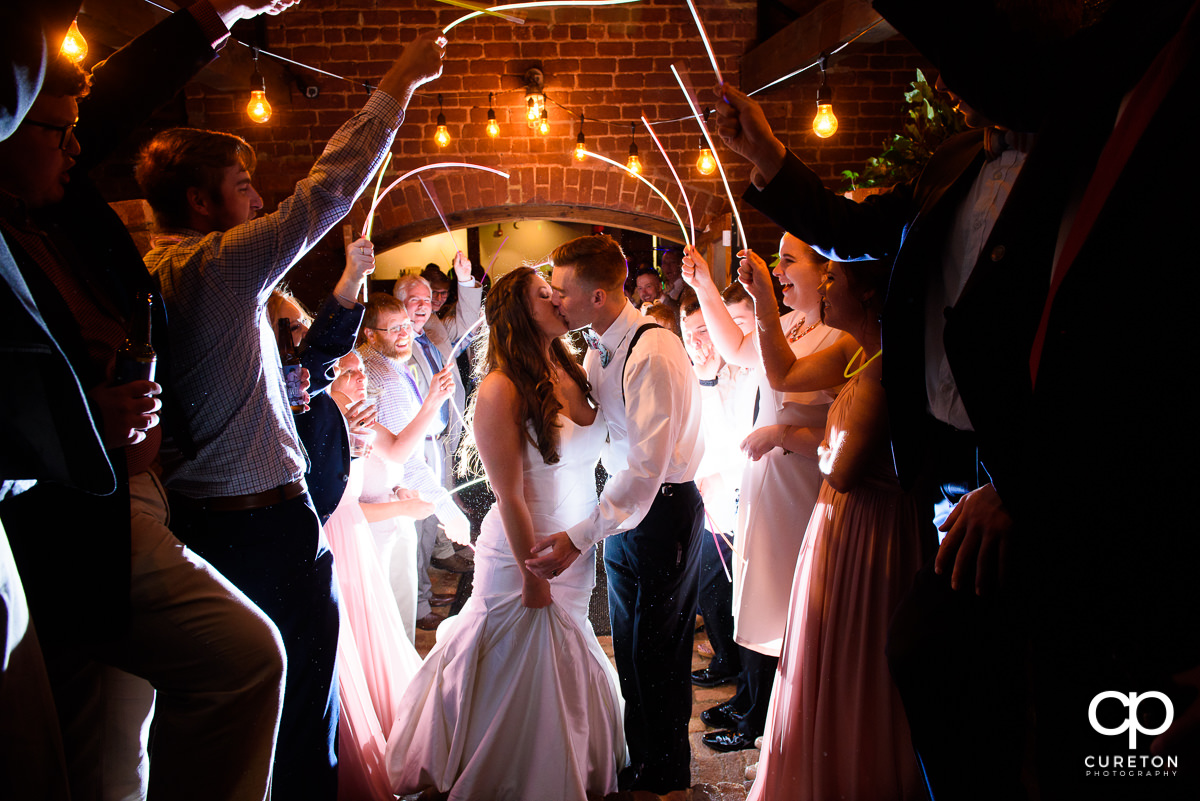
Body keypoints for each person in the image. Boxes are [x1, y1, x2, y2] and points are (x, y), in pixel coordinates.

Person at [136, 32, 446, 797]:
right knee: (303, 711)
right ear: (202, 202)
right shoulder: (211, 266)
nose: (258, 200)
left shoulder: (160, 274)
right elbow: (324, 192)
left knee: (262, 718)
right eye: (242, 185)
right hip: (255, 524)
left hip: (219, 519)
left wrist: (292, 390)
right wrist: (398, 85)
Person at [2, 5, 299, 798]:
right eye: (51, 130)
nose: (74, 144)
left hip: (139, 493)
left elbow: (103, 102)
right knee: (246, 658)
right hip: (68, 513)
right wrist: (77, 422)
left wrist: (215, 16)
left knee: (110, 752)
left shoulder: (58, 207)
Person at [385, 266, 626, 801]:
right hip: (527, 552)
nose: (559, 301)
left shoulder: (570, 364)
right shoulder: (500, 386)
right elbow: (509, 495)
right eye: (545, 295)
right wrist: (531, 575)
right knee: (516, 661)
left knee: (565, 657)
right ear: (520, 312)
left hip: (576, 547)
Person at [737, 249, 924, 800]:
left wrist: (808, 441)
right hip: (842, 526)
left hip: (873, 532)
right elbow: (784, 374)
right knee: (827, 662)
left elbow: (840, 469)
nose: (823, 285)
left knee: (857, 667)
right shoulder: (856, 346)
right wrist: (764, 305)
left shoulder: (886, 362)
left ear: (864, 292)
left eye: (833, 276)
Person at [529, 234, 703, 793]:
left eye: (561, 291)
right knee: (630, 645)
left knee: (660, 650)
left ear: (598, 296)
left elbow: (648, 467)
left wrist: (580, 535)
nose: (556, 300)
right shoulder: (599, 344)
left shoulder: (652, 350)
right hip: (624, 511)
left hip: (662, 510)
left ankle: (665, 770)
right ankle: (643, 758)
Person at [682, 235, 843, 755]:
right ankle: (773, 727)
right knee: (767, 610)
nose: (778, 268)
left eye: (790, 261)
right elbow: (734, 350)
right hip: (767, 486)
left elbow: (851, 436)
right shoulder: (794, 324)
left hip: (804, 488)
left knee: (799, 613)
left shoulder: (841, 336)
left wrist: (781, 436)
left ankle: (788, 731)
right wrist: (704, 283)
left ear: (828, 272)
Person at [324, 350, 426, 801]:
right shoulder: (319, 425)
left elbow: (390, 459)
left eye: (361, 370)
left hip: (358, 548)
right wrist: (404, 507)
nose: (359, 378)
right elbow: (339, 508)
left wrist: (401, 491)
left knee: (377, 643)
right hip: (337, 549)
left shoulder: (359, 418)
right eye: (346, 372)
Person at [359, 293, 470, 633]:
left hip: (392, 492)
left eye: (406, 326)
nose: (405, 333)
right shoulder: (381, 375)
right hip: (383, 506)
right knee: (395, 610)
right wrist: (449, 513)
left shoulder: (389, 363)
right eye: (394, 329)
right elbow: (403, 459)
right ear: (370, 335)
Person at [679, 288, 755, 694]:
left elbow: (729, 441)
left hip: (734, 497)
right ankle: (729, 661)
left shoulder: (736, 373)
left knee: (728, 588)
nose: (697, 341)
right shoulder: (693, 373)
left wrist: (714, 474)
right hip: (706, 496)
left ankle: (740, 671)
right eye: (687, 332)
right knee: (710, 587)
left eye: (703, 330)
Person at [282, 236, 377, 524]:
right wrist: (352, 277)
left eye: (304, 325)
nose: (303, 334)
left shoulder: (301, 375)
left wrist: (343, 438)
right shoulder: (278, 381)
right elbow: (324, 343)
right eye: (292, 327)